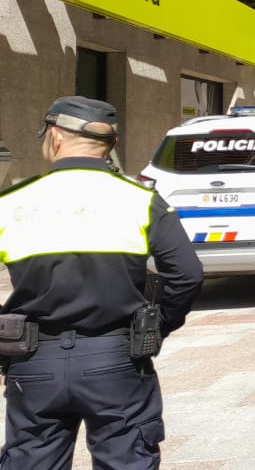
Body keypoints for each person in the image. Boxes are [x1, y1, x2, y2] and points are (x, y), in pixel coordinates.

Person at [0, 96, 203, 467]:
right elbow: (187, 274)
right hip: (116, 357)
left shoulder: (12, 202)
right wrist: (157, 327)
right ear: (112, 145)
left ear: (56, 136)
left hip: (32, 363)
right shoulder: (140, 200)